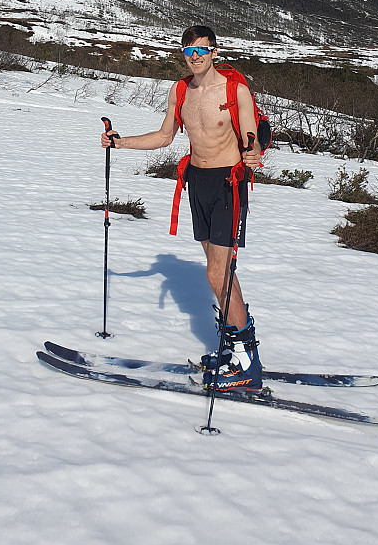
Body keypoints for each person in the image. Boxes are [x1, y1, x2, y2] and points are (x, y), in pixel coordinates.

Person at [101, 25, 263, 391]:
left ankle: (247, 363)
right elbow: (163, 136)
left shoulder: (235, 90)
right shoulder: (179, 91)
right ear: (183, 55)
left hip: (228, 185)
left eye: (202, 50)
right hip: (198, 183)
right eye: (189, 52)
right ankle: (233, 347)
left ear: (215, 52)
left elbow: (251, 133)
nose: (196, 57)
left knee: (217, 274)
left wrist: (253, 151)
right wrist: (119, 142)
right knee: (218, 271)